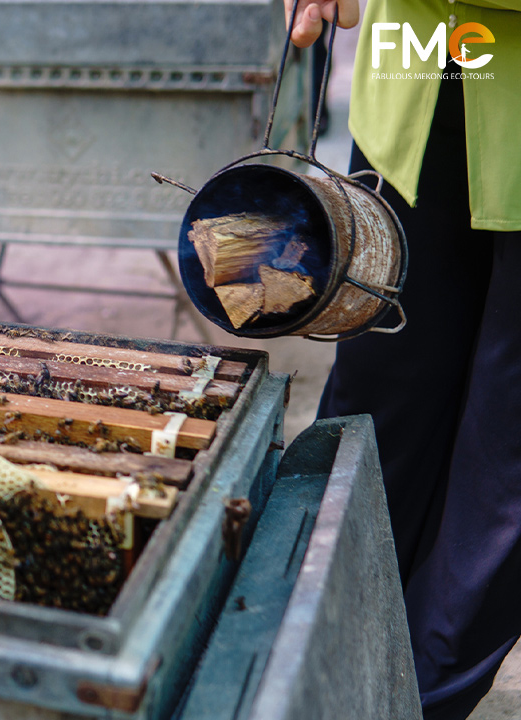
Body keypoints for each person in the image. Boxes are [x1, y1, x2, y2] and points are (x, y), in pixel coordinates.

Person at [288, 0, 521, 716]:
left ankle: (417, 699)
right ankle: (314, 650)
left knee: (505, 446)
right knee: (381, 398)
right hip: (416, 86)